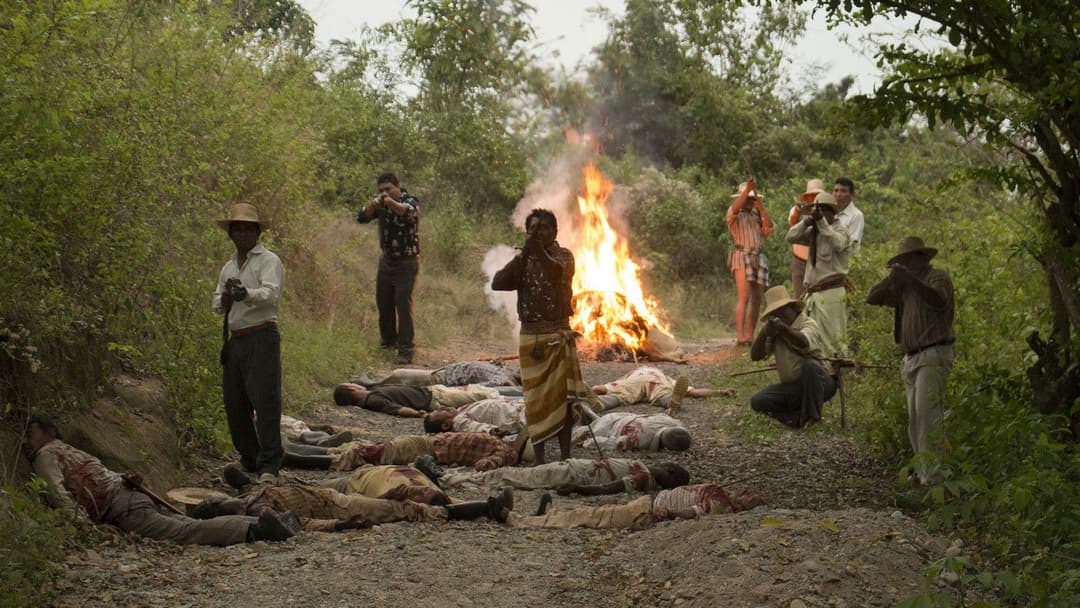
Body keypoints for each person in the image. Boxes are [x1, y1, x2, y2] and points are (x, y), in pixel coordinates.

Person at [20, 414, 299, 545]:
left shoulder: (46, 455)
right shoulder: (70, 451)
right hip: (131, 494)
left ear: (48, 433)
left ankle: (258, 530)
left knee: (186, 532)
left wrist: (84, 529)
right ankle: (264, 521)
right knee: (187, 524)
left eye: (29, 434)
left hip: (121, 505)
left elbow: (58, 493)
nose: (25, 442)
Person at [491, 208, 598, 465]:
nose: (538, 233)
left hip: (556, 334)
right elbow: (498, 282)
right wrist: (523, 256)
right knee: (535, 401)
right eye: (533, 229)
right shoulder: (524, 259)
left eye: (543, 228)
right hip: (530, 337)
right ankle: (539, 459)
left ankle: (564, 457)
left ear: (555, 232)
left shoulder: (564, 256)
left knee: (563, 401)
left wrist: (536, 252)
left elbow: (555, 273)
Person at [867, 237, 955, 484]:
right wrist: (892, 281)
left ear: (921, 258)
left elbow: (939, 300)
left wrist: (911, 281)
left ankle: (934, 477)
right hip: (911, 357)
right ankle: (922, 473)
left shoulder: (936, 277)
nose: (907, 265)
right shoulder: (904, 286)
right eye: (902, 262)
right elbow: (872, 297)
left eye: (909, 260)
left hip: (933, 353)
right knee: (915, 420)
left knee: (929, 418)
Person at [213, 202, 286, 484]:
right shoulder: (228, 266)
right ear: (231, 233)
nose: (242, 233)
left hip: (262, 335)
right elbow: (216, 303)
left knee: (265, 400)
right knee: (235, 402)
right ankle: (250, 456)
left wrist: (247, 294)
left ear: (257, 232)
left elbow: (271, 294)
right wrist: (227, 299)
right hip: (236, 340)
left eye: (247, 228)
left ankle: (269, 464)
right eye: (237, 228)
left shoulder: (268, 261)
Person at [191, 482, 513, 531]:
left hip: (334, 496)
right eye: (218, 505)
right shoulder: (258, 512)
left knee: (402, 495)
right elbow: (301, 523)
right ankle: (487, 508)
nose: (222, 499)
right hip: (340, 509)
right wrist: (341, 526)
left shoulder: (251, 495)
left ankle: (485, 505)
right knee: (406, 510)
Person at [356, 172, 421, 364]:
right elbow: (361, 217)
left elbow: (406, 211)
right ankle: (388, 343)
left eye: (388, 189)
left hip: (407, 261)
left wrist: (388, 202)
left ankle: (406, 349)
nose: (385, 193)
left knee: (403, 304)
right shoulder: (380, 204)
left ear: (398, 187)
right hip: (386, 261)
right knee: (383, 303)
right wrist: (373, 205)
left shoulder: (410, 200)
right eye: (381, 190)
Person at [749, 286, 837, 428]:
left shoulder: (808, 323)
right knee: (758, 400)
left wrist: (783, 328)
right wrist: (765, 332)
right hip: (794, 388)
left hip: (821, 384)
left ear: (792, 308)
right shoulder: (775, 330)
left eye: (782, 311)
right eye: (775, 314)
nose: (780, 317)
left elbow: (803, 342)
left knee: (810, 366)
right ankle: (797, 418)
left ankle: (814, 418)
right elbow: (755, 356)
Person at [505, 484, 766, 531]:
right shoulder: (723, 495)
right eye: (751, 494)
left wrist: (670, 513)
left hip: (647, 514)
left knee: (591, 516)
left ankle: (518, 520)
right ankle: (551, 515)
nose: (747, 496)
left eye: (752, 500)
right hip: (648, 503)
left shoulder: (721, 506)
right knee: (593, 513)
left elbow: (694, 512)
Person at [785, 191, 852, 357]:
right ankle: (822, 373)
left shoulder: (841, 231)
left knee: (834, 340)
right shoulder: (814, 232)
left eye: (822, 210)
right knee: (815, 338)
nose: (818, 214)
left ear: (831, 212)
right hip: (813, 294)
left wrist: (822, 222)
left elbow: (837, 243)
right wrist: (807, 220)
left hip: (831, 293)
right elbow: (790, 236)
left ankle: (837, 374)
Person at [439, 458, 689, 495]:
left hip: (572, 473)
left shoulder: (645, 477)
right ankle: (452, 477)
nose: (663, 463)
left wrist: (578, 489)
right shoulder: (643, 468)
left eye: (668, 466)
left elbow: (609, 488)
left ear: (669, 474)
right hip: (572, 467)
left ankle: (446, 478)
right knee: (516, 475)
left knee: (513, 476)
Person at [726, 177, 774, 346]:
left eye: (752, 199)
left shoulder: (756, 217)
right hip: (742, 255)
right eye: (747, 198)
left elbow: (769, 228)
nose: (749, 201)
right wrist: (747, 191)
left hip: (758, 256)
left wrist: (761, 208)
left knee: (757, 298)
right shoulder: (734, 214)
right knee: (744, 296)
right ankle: (740, 337)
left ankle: (749, 336)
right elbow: (734, 209)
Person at [328, 432, 519, 472]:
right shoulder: (502, 444)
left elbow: (489, 462)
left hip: (427, 445)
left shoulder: (499, 446)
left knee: (372, 452)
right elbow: (488, 463)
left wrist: (486, 463)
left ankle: (322, 454)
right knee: (373, 451)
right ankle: (322, 453)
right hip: (429, 445)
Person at [591, 366, 735, 414]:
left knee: (619, 396)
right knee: (663, 393)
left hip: (633, 383)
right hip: (657, 382)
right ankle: (671, 402)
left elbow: (602, 388)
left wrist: (593, 390)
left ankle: (601, 403)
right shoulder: (663, 376)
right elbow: (693, 392)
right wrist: (720, 391)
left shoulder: (629, 376)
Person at [333, 383, 500, 417]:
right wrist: (417, 414)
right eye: (351, 383)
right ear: (351, 389)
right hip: (436, 399)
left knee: (478, 389)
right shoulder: (374, 400)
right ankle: (510, 404)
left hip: (433, 391)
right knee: (485, 395)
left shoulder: (372, 392)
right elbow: (396, 409)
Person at [572, 411, 692, 453]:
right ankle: (576, 412)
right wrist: (588, 442)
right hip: (609, 427)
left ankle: (586, 411)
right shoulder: (639, 440)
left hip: (622, 417)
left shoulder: (671, 421)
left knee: (598, 421)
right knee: (576, 433)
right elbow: (610, 443)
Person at [355, 360, 521, 388]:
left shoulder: (506, 379)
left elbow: (502, 386)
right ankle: (373, 385)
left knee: (400, 374)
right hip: (446, 371)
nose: (521, 368)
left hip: (445, 379)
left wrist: (510, 385)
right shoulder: (506, 371)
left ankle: (369, 386)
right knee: (400, 377)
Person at [788, 179, 826, 299]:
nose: (813, 197)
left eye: (817, 195)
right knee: (800, 298)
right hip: (799, 261)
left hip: (820, 262)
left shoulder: (827, 211)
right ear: (807, 196)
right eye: (811, 195)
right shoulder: (798, 210)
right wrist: (799, 213)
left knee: (818, 298)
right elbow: (792, 225)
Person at [423, 397, 526, 436]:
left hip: (516, 407)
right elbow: (473, 427)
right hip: (515, 416)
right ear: (445, 425)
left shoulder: (460, 411)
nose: (441, 408)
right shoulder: (458, 422)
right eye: (438, 413)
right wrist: (492, 431)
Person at [832, 177, 865, 256]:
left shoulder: (856, 215)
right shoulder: (829, 212)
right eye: (836, 190)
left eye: (843, 191)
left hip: (844, 262)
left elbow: (852, 245)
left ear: (852, 195)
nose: (838, 194)